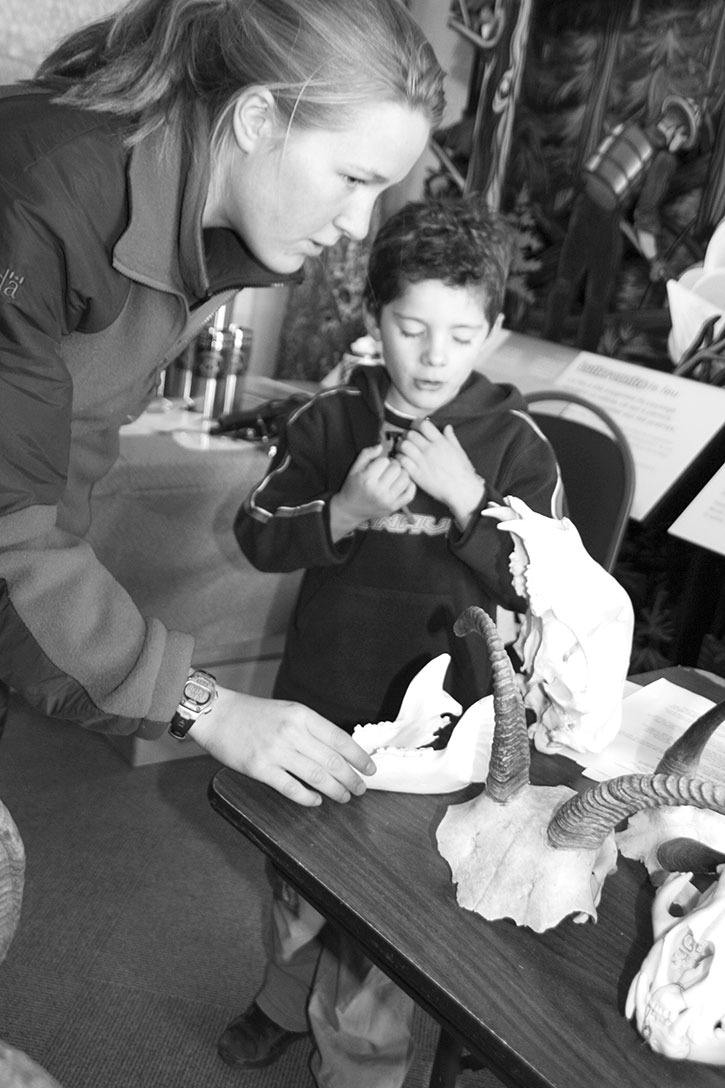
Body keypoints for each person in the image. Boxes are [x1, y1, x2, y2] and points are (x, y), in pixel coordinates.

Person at [0, 0, 445, 807]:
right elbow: (7, 529)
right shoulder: (33, 197)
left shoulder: (207, 233)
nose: (356, 224)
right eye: (353, 179)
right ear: (254, 117)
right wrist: (202, 704)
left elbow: (63, 452)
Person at [226, 195, 565, 1085]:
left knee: (383, 913)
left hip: (443, 727)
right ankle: (278, 999)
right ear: (376, 318)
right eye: (411, 329)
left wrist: (465, 503)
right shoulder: (330, 420)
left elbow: (553, 588)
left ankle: (359, 1068)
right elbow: (257, 530)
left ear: (492, 333)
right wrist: (341, 511)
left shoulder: (517, 445)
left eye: (459, 335)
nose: (433, 358)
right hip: (324, 697)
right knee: (296, 880)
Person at [543, 94, 701, 352]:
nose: (681, 145)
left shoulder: (628, 129)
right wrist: (654, 260)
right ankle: (585, 353)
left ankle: (546, 342)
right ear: (677, 131)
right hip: (606, 219)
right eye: (683, 138)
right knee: (598, 296)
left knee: (564, 281)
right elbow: (645, 214)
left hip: (584, 208)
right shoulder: (663, 160)